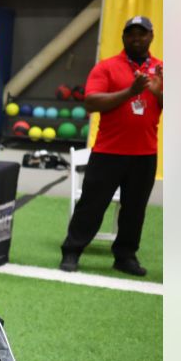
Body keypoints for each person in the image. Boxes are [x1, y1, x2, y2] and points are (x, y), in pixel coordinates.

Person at [60, 15, 163, 276]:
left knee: (135, 209)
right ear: (123, 37)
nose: (137, 38)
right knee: (92, 205)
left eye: (142, 33)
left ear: (152, 36)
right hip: (108, 151)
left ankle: (125, 256)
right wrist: (131, 91)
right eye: (131, 33)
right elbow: (91, 103)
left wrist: (159, 91)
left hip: (145, 153)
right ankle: (72, 250)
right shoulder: (106, 67)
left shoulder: (162, 69)